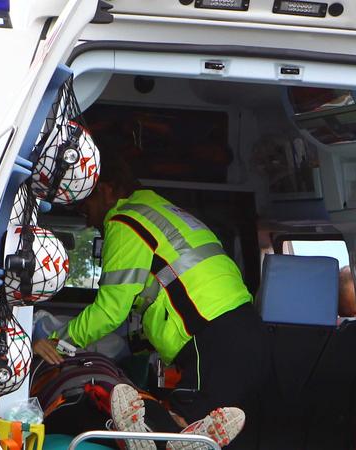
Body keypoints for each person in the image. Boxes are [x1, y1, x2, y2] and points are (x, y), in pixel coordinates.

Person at [33, 156, 268, 449]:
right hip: (247, 328)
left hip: (209, 335)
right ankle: (152, 435)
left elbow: (109, 311)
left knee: (184, 427)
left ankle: (148, 437)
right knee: (195, 428)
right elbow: (159, 293)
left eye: (85, 204)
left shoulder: (125, 221)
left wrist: (57, 343)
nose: (86, 216)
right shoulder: (162, 211)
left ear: (106, 190)